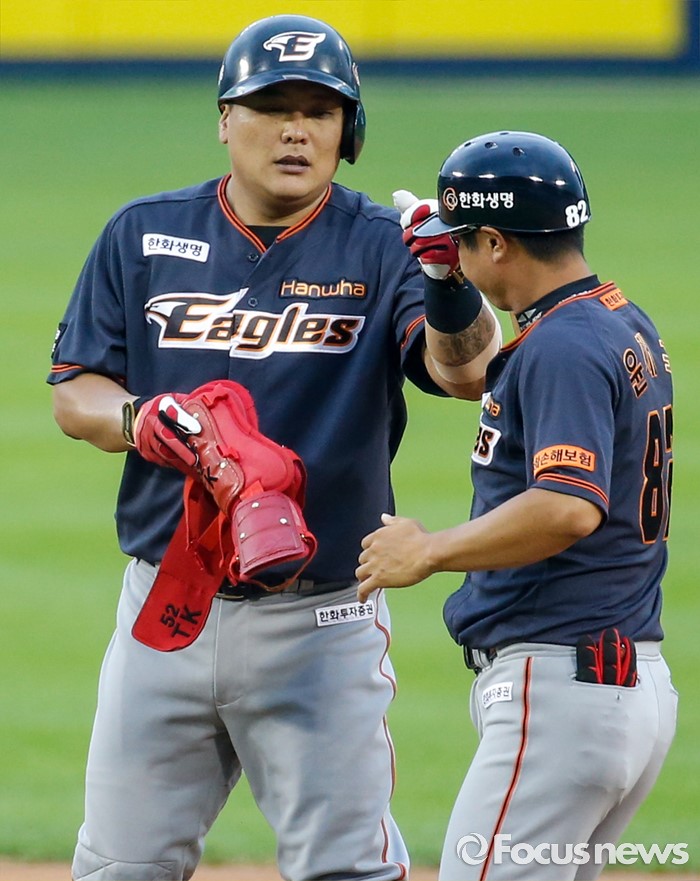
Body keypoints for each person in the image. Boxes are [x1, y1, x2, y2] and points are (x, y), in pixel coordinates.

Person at [48, 14, 502, 881]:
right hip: (166, 608)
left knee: (344, 868)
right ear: (226, 119)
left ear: (348, 132)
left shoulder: (385, 247)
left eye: (319, 111)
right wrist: (139, 418)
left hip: (320, 619)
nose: (296, 130)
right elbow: (77, 391)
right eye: (271, 106)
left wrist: (448, 286)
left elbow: (467, 372)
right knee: (120, 866)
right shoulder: (142, 234)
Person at [356, 131, 678, 881]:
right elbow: (479, 370)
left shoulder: (564, 345)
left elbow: (568, 505)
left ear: (497, 243)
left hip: (561, 687)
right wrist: (444, 279)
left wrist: (429, 549)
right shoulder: (617, 319)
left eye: (465, 239)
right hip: (618, 681)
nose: (457, 251)